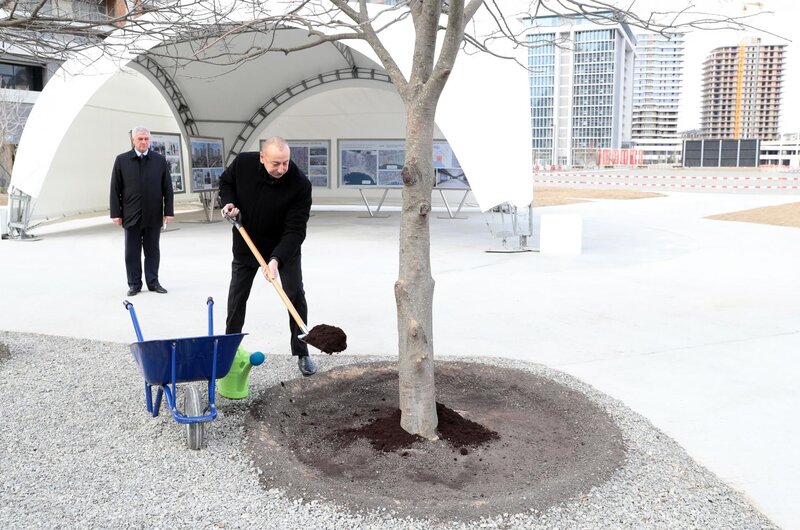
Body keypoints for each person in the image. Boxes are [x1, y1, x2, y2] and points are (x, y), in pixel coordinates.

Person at [219, 136, 316, 377]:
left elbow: (296, 230)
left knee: (294, 293)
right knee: (237, 295)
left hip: (284, 245)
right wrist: (229, 204)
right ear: (262, 158)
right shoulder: (242, 164)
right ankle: (228, 348)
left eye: (285, 163)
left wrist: (276, 260)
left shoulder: (300, 185)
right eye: (275, 163)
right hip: (246, 239)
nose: (282, 169)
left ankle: (302, 351)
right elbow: (226, 182)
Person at [110, 126, 174, 296]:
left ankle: (153, 282)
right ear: (133, 140)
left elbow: (167, 187)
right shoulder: (122, 160)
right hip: (131, 215)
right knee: (132, 252)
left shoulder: (159, 160)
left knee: (152, 251)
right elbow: (115, 189)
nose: (144, 142)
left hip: (153, 214)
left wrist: (169, 211)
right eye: (140, 139)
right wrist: (116, 213)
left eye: (146, 139)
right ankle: (134, 284)